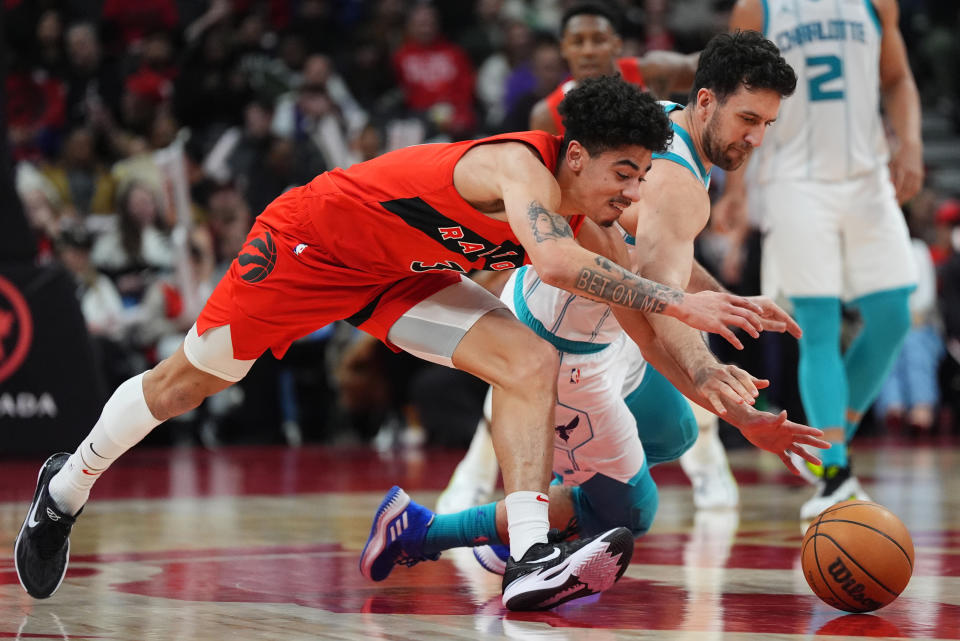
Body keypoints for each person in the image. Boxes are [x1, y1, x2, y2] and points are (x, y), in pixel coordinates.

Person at [15, 75, 789, 611]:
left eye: (643, 176)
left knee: (529, 360)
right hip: (308, 246)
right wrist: (678, 297)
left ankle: (526, 558)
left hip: (393, 277)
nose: (631, 193)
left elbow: (647, 329)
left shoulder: (593, 224)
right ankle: (64, 488)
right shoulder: (517, 166)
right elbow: (556, 264)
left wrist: (722, 386)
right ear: (577, 154)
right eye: (625, 173)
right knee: (186, 383)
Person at [367, 31, 823, 587]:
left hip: (604, 330)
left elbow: (661, 261)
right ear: (705, 101)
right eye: (748, 119)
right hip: (568, 354)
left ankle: (537, 518)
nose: (756, 138)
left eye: (767, 125)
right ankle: (421, 531)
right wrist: (725, 395)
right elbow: (661, 307)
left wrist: (723, 300)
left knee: (674, 432)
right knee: (633, 514)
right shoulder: (680, 186)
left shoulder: (656, 121)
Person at [720, 0, 923, 519]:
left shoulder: (876, 4)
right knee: (817, 322)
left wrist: (912, 145)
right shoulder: (758, 8)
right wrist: (738, 190)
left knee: (894, 315)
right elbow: (736, 99)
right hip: (794, 181)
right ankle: (835, 474)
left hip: (868, 176)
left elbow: (897, 79)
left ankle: (826, 443)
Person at [529, 1, 699, 135]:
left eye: (598, 40)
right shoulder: (547, 115)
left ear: (616, 44)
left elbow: (707, 65)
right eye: (578, 42)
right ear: (563, 48)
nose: (588, 51)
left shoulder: (651, 73)